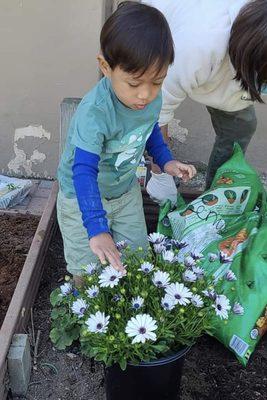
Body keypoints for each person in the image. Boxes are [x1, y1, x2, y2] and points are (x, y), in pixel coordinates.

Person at [57, 1, 196, 284]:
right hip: (80, 197)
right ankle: (79, 317)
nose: (145, 95)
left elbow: (150, 130)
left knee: (137, 262)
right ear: (105, 67)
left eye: (157, 81)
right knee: (87, 271)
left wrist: (166, 160)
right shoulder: (95, 113)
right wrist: (96, 228)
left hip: (124, 193)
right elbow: (83, 172)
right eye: (134, 84)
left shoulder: (151, 98)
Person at [142, 0, 267, 193]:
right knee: (136, 120)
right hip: (163, 30)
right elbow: (157, 113)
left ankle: (215, 197)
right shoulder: (195, 48)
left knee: (241, 125)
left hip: (229, 65)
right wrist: (161, 173)